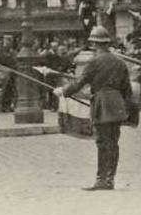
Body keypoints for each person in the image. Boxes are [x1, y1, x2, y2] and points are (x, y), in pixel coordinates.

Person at [54, 26, 133, 191]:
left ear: (95, 44)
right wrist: (125, 109)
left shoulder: (94, 62)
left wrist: (63, 91)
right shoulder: (120, 62)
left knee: (102, 142)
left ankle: (101, 179)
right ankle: (110, 179)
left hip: (102, 104)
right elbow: (127, 89)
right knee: (114, 143)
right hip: (117, 104)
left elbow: (80, 82)